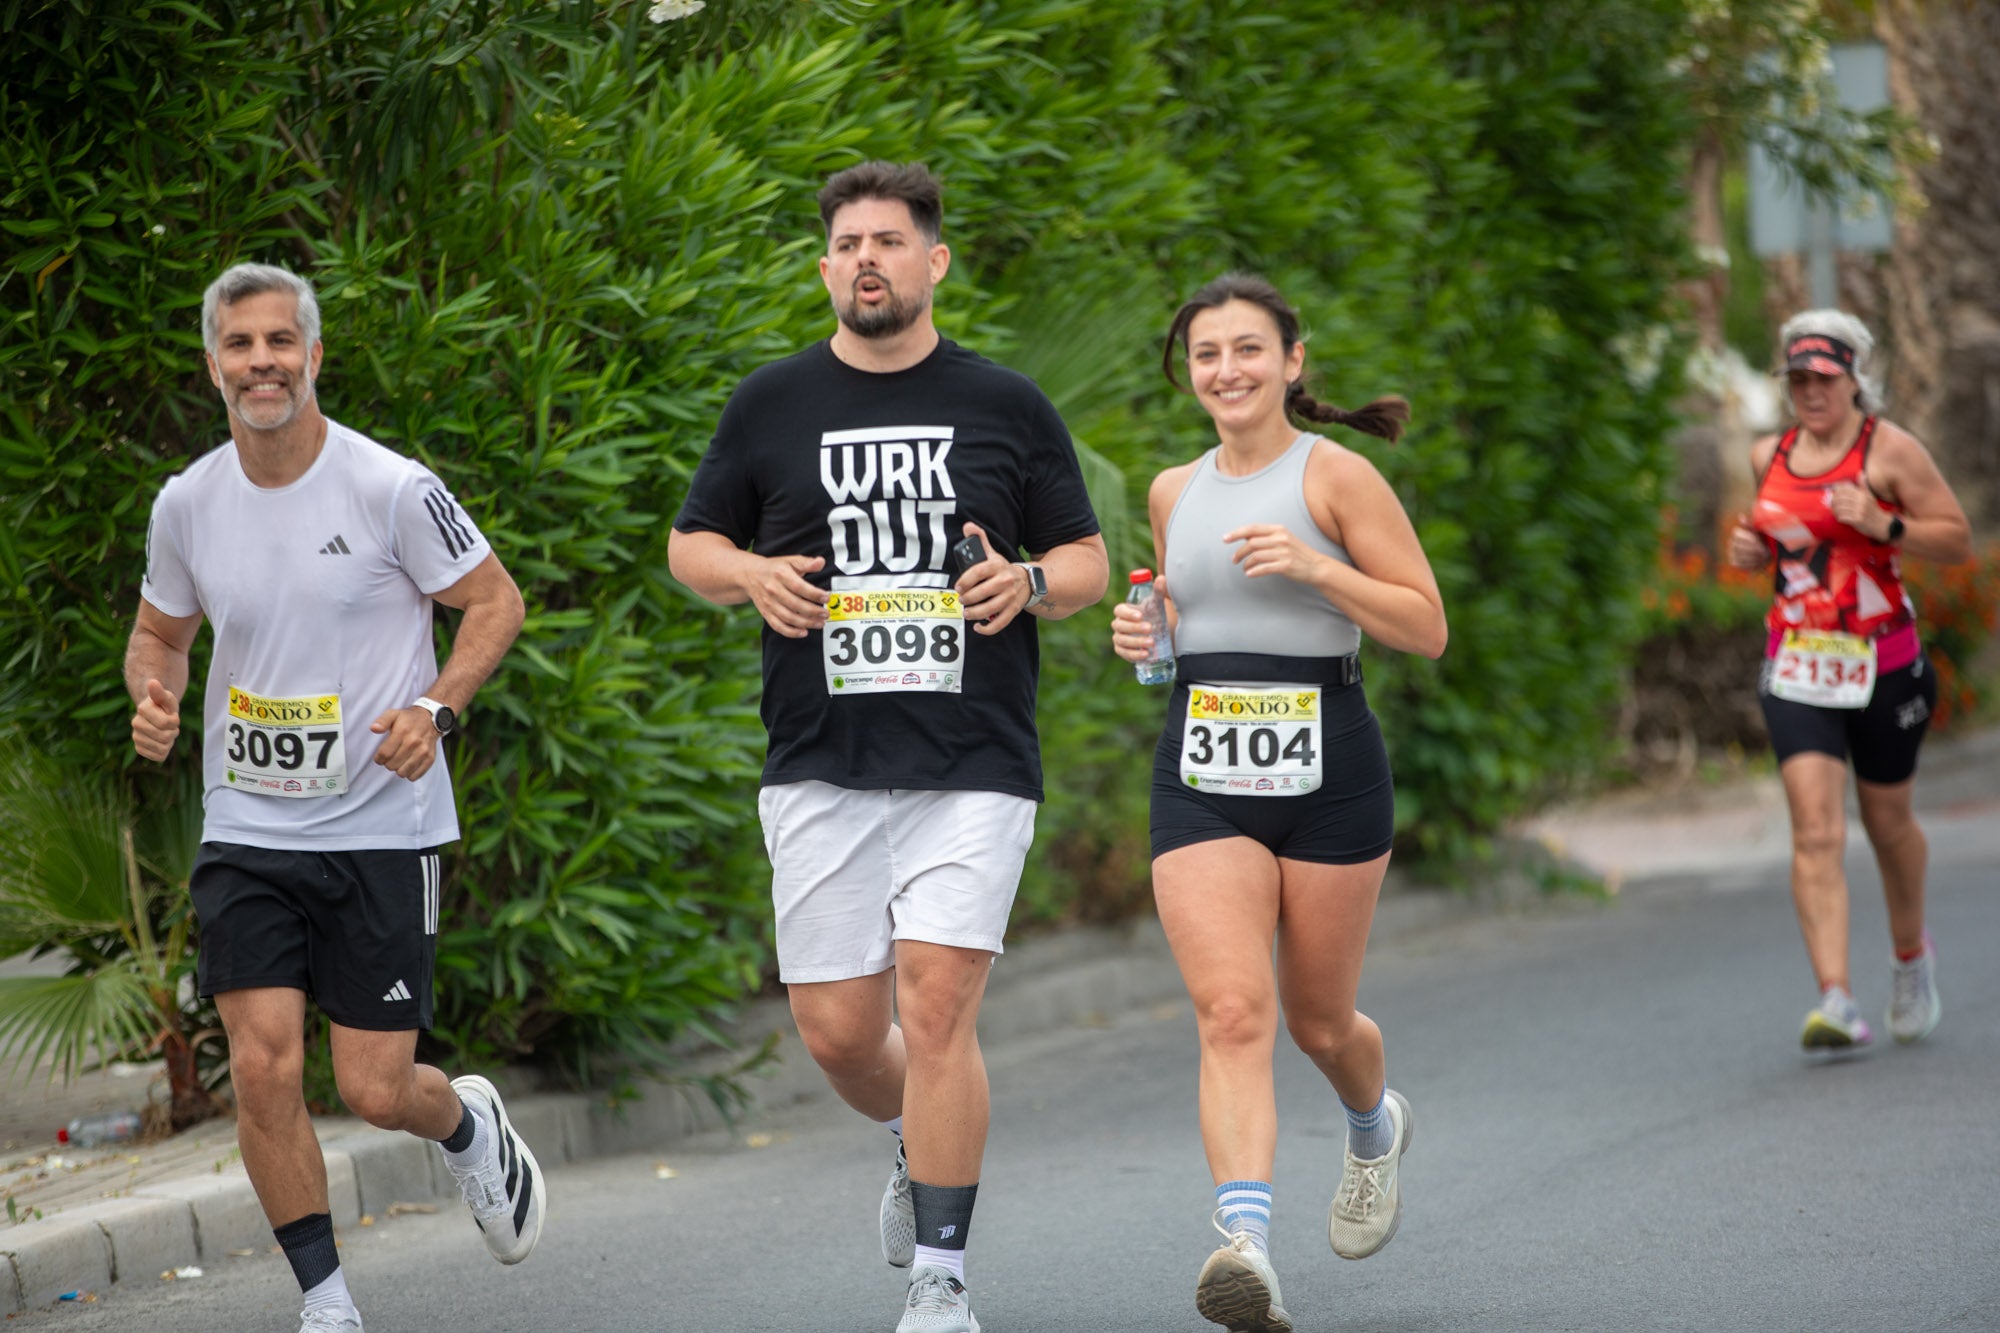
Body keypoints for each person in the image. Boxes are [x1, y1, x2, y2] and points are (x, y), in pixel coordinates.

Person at [667, 161, 1108, 1333]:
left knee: (940, 1002)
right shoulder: (769, 404)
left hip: (972, 756)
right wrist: (750, 572)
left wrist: (1023, 581)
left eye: (889, 240)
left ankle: (942, 1279)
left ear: (933, 262)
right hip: (818, 758)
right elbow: (690, 544)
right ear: (825, 269)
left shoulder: (1006, 404)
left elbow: (1084, 563)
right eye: (847, 243)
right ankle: (917, 1142)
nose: (867, 258)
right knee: (840, 1031)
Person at [126, 263, 539, 1333]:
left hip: (379, 827)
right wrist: (155, 694)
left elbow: (494, 601)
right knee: (262, 1068)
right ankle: (327, 1302)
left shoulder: (387, 486)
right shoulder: (188, 502)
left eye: (278, 342)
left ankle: (466, 1126)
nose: (259, 362)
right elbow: (159, 633)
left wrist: (437, 708)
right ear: (212, 364)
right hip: (247, 824)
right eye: (238, 345)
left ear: (313, 356)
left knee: (372, 1089)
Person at [1111, 274, 1446, 1333]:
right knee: (1230, 1010)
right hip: (1200, 771)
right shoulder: (1172, 490)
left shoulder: (1335, 476)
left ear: (1291, 361)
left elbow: (1423, 626)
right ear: (1188, 374)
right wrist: (1144, 645)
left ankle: (1370, 1121)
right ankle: (1244, 1243)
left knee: (1314, 1018)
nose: (1226, 370)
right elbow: (1176, 642)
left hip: (1329, 762)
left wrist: (1314, 566)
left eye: (1247, 349)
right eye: (1206, 354)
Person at [1727, 310, 1972, 1052]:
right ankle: (1835, 996)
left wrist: (1884, 523)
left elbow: (1957, 538)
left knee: (1889, 822)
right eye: (1797, 379)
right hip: (1798, 662)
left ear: (1852, 379)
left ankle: (1909, 958)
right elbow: (1770, 546)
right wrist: (1746, 550)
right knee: (1816, 827)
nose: (1809, 391)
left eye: (1822, 378)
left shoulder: (1890, 452)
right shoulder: (1766, 453)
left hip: (1884, 665)